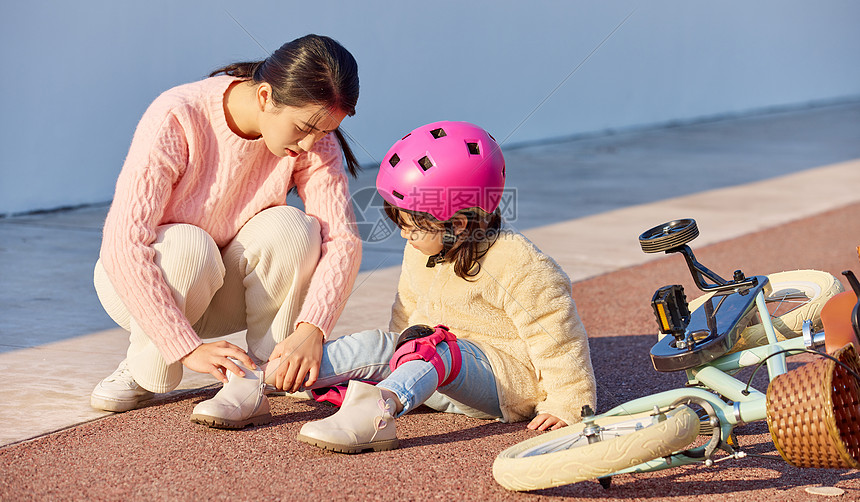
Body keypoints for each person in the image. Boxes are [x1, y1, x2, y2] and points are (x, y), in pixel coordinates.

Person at [90, 34, 363, 429]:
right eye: (304, 127)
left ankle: (267, 373)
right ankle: (146, 364)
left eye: (323, 132)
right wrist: (184, 348)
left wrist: (312, 330)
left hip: (218, 288)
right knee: (190, 246)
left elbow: (342, 240)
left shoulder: (315, 140)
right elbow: (123, 244)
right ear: (266, 96)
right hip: (145, 283)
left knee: (294, 229)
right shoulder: (178, 115)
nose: (311, 144)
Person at [293, 120, 596, 453]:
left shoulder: (518, 261)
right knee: (377, 343)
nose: (404, 235)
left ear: (459, 224)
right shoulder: (423, 248)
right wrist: (397, 363)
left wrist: (568, 403)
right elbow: (406, 309)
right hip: (436, 370)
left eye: (412, 227)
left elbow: (557, 336)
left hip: (504, 384)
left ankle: (375, 412)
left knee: (435, 347)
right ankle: (266, 378)